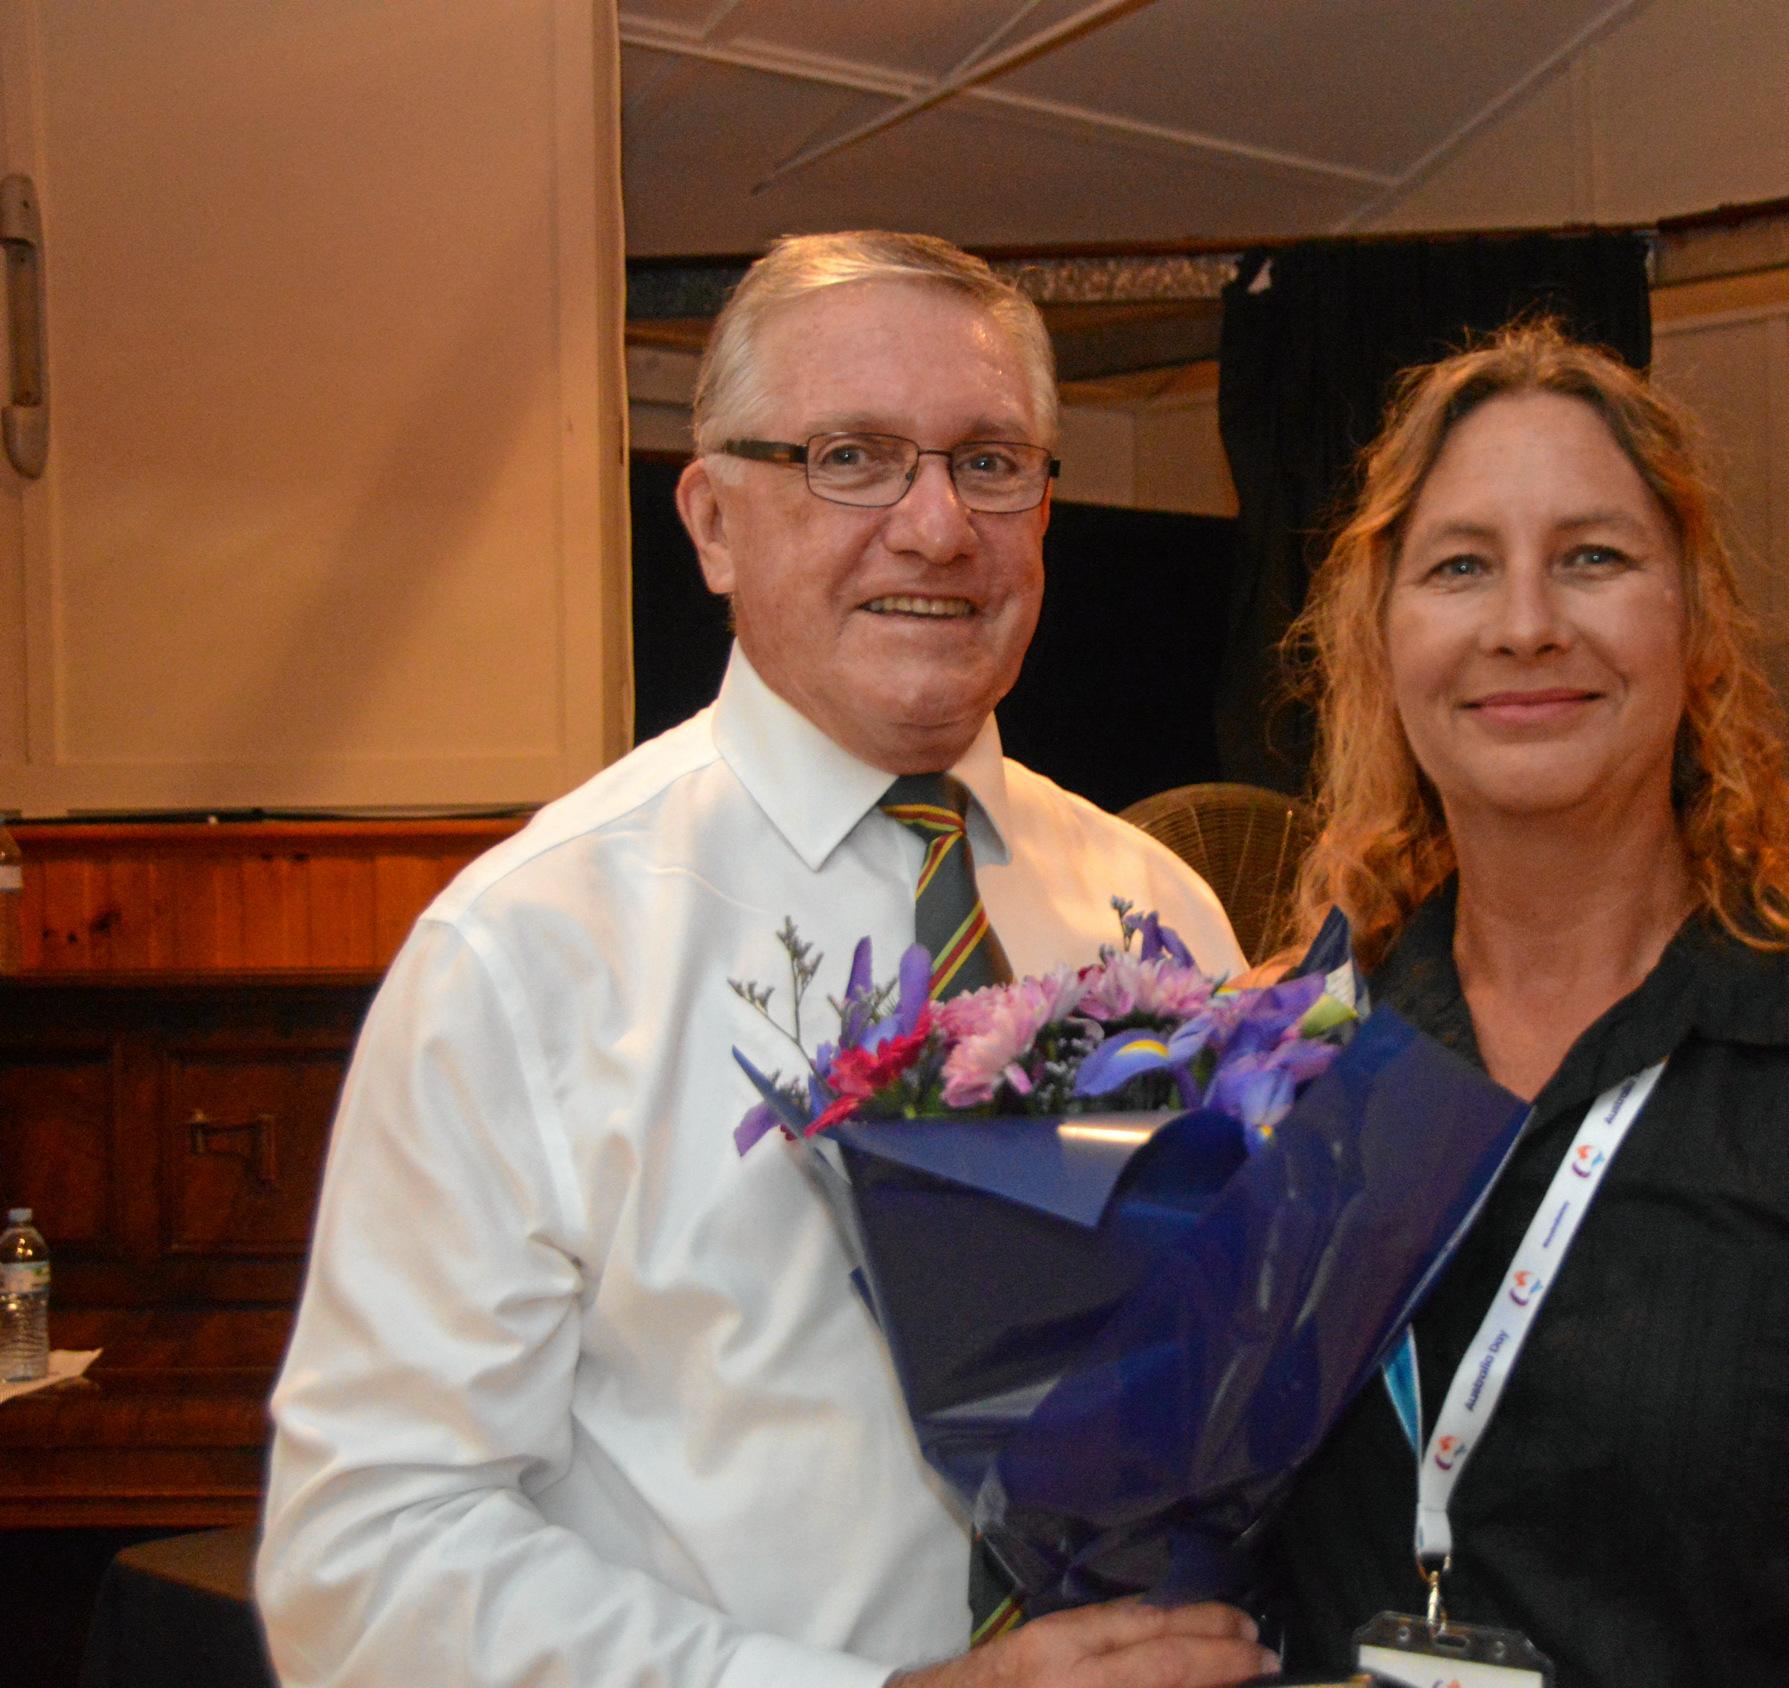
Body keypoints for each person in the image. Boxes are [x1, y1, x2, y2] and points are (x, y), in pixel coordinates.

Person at [257, 232, 1279, 1688]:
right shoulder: (529, 953)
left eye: (990, 461)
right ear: (712, 520)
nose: (934, 527)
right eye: (850, 456)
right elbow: (361, 1565)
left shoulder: (1157, 912)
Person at [1262, 322, 1789, 1687]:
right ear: (1382, 638)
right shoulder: (1281, 1055)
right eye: (1459, 565)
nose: (1526, 620)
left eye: (1593, 557)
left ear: (1697, 623)